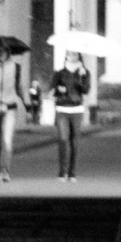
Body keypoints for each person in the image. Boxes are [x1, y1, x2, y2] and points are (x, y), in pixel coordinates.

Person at [0, 45, 29, 182]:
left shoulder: (16, 67)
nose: (1, 53)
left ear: (8, 52)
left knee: (7, 140)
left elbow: (20, 87)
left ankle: (6, 171)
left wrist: (27, 104)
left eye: (3, 50)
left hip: (9, 107)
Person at [50, 51, 91, 182]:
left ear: (79, 57)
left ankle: (72, 172)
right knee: (63, 139)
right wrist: (59, 90)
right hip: (62, 109)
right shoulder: (60, 73)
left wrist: (80, 77)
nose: (72, 57)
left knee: (74, 141)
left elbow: (85, 90)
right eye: (70, 54)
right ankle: (62, 172)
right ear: (66, 56)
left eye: (75, 55)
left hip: (77, 109)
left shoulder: (85, 72)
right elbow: (52, 88)